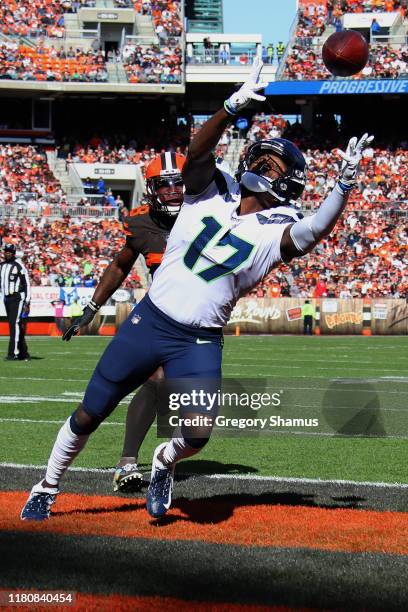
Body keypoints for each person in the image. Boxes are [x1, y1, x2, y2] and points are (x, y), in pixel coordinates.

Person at [21, 58, 373, 521]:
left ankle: (165, 459)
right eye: (265, 157)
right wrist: (230, 107)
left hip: (199, 338)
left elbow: (314, 231)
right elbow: (198, 149)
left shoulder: (279, 226)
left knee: (198, 433)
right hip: (151, 320)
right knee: (91, 412)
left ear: (287, 181)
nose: (265, 163)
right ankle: (47, 485)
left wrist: (343, 186)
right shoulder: (209, 187)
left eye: (276, 163)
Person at [62, 152, 186, 493]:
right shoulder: (142, 223)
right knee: (155, 380)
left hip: (200, 318)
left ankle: (161, 456)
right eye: (165, 185)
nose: (174, 190)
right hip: (161, 316)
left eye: (179, 182)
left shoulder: (208, 213)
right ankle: (127, 462)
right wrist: (91, 307)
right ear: (152, 189)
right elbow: (120, 265)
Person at [0, 244, 31, 361]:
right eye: (6, 251)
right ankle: (23, 352)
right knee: (15, 325)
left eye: (9, 251)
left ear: (13, 253)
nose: (7, 253)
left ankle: (13, 353)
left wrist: (27, 302)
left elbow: (27, 284)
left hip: (17, 298)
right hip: (6, 298)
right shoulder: (1, 266)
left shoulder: (19, 266)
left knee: (14, 324)